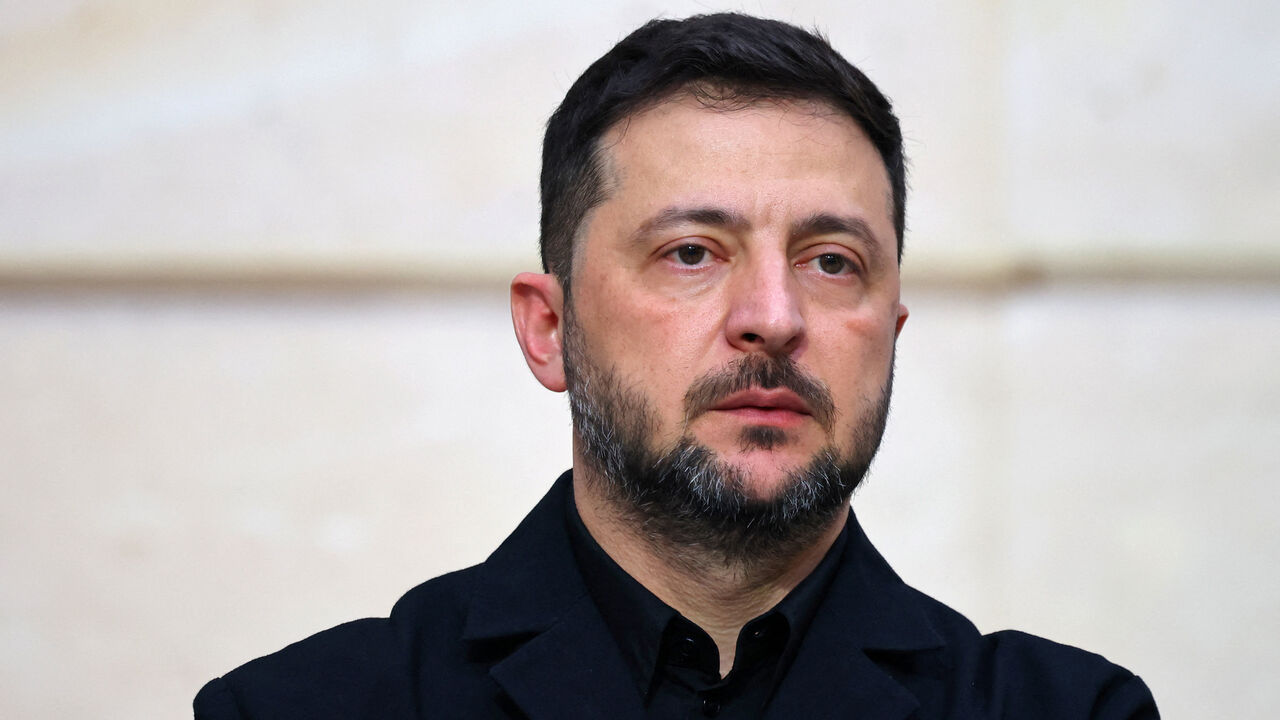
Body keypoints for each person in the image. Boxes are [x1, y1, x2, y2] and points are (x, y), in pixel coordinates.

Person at [194, 13, 1158, 719]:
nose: (774, 319)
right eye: (692, 252)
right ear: (548, 330)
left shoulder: (1067, 712)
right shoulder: (302, 710)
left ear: (891, 333)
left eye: (832, 262)